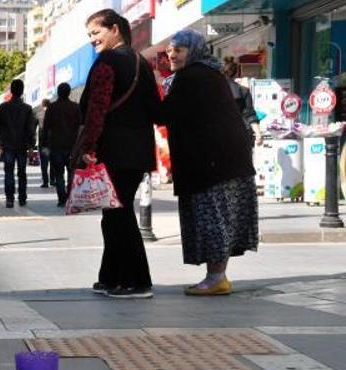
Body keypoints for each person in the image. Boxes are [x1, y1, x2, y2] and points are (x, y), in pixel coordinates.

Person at [161, 30, 258, 296]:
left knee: (213, 218)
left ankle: (216, 278)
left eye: (178, 50)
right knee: (221, 217)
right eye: (170, 50)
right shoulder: (211, 73)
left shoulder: (192, 76)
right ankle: (217, 275)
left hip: (214, 163)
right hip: (227, 160)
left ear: (193, 51)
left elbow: (164, 113)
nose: (172, 54)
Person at [77, 9, 160, 299]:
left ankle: (136, 281)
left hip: (113, 151)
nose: (92, 40)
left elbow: (95, 109)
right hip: (139, 153)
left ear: (114, 29)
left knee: (119, 214)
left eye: (96, 33)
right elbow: (156, 110)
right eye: (89, 35)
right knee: (114, 213)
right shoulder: (142, 63)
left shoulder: (107, 62)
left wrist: (88, 147)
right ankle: (110, 277)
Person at [0, 79, 36, 208]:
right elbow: (31, 128)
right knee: (22, 172)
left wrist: (2, 138)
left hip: (8, 145)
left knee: (9, 172)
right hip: (22, 145)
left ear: (11, 91)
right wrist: (31, 146)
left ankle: (9, 199)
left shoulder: (3, 107)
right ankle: (22, 198)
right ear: (22, 91)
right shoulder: (27, 109)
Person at [43, 83, 80, 207]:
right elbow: (80, 127)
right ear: (69, 92)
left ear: (58, 93)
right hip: (72, 146)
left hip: (56, 145)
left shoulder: (52, 108)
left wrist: (44, 145)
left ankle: (61, 198)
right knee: (71, 173)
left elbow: (45, 128)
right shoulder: (76, 107)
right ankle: (70, 196)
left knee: (58, 174)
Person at [222, 57, 263, 147]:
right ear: (236, 74)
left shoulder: (212, 91)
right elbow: (250, 114)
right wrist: (258, 134)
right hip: (241, 134)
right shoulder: (243, 90)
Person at [35, 99, 53, 188]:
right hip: (53, 142)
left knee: (44, 164)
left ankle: (45, 182)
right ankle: (53, 180)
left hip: (42, 142)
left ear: (42, 105)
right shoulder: (54, 114)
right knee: (53, 162)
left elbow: (34, 127)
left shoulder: (39, 114)